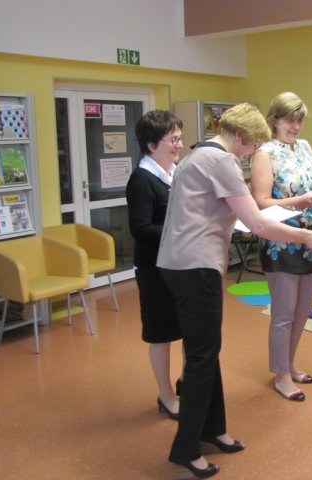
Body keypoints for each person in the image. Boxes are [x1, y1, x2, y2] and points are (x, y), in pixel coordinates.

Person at [157, 103, 312, 478]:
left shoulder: (197, 153)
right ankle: (186, 449)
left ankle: (213, 429)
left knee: (206, 352)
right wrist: (306, 236)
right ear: (238, 136)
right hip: (195, 266)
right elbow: (257, 223)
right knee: (201, 358)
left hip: (178, 262)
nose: (252, 154)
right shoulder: (222, 161)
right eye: (252, 146)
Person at [250, 92, 312, 402]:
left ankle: (289, 363)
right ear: (274, 120)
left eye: (300, 120)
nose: (295, 126)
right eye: (289, 120)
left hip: (311, 240)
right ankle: (280, 375)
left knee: (303, 310)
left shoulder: (304, 147)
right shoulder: (264, 154)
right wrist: (299, 202)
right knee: (284, 313)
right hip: (281, 242)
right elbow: (261, 202)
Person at [126, 110, 184, 421]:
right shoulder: (141, 180)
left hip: (180, 265)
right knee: (161, 334)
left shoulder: (175, 173)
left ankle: (187, 383)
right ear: (151, 145)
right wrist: (181, 230)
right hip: (154, 270)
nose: (179, 145)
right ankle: (166, 395)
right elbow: (140, 228)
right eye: (173, 140)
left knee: (188, 328)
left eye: (179, 138)